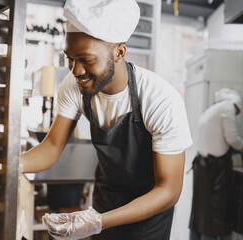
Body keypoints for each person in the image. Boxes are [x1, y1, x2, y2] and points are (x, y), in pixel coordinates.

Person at [20, 0, 193, 239]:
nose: (76, 70)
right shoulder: (74, 85)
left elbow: (169, 190)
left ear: (119, 53)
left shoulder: (159, 99)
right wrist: (12, 164)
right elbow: (51, 146)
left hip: (147, 218)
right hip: (104, 204)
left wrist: (97, 222)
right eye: (70, 58)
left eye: (87, 60)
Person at [189, 88, 243, 240]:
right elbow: (232, 139)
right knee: (212, 217)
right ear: (236, 104)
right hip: (215, 169)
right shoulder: (228, 107)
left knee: (200, 216)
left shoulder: (211, 109)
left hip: (202, 166)